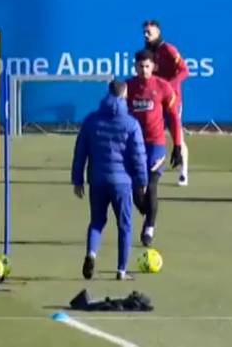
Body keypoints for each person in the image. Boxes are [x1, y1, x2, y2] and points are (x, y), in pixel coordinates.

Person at [71, 80, 147, 281]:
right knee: (125, 225)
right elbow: (138, 155)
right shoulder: (131, 123)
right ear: (124, 95)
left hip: (97, 179)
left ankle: (91, 254)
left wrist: (77, 178)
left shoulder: (91, 120)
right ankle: (121, 270)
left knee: (96, 221)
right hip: (122, 182)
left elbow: (80, 151)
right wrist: (142, 180)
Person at [127, 49, 183, 247]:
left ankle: (149, 227)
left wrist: (177, 145)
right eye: (140, 66)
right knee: (136, 191)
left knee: (151, 184)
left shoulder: (163, 87)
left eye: (147, 66)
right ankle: (147, 210)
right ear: (135, 67)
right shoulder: (129, 87)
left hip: (155, 144)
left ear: (154, 67)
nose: (144, 70)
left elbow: (174, 117)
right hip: (133, 144)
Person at [143, 20, 190, 186]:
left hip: (172, 100)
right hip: (155, 101)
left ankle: (183, 171)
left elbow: (185, 71)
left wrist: (170, 85)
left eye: (149, 32)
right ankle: (150, 168)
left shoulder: (168, 49)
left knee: (177, 135)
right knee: (151, 135)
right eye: (145, 32)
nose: (146, 35)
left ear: (158, 33)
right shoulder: (147, 53)